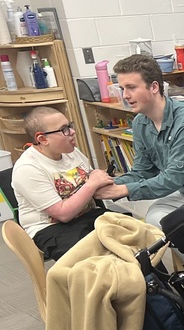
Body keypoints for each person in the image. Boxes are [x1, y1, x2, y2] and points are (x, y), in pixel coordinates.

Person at [94, 54, 184, 258]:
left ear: (154, 87)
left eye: (131, 87)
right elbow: (143, 171)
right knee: (157, 222)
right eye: (122, 88)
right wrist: (109, 183)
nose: (125, 95)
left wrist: (122, 189)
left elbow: (172, 179)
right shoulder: (140, 123)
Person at [12, 107, 112, 260]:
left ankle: (156, 282)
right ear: (42, 139)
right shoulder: (27, 169)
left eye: (70, 126)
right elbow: (63, 214)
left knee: (135, 237)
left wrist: (99, 178)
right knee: (96, 259)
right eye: (64, 130)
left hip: (87, 215)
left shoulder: (71, 151)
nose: (72, 132)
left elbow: (91, 177)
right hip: (52, 228)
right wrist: (92, 184)